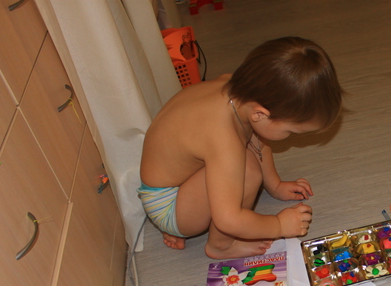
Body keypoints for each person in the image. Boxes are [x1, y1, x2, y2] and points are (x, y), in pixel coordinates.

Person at [139, 37, 343, 259]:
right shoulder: (223, 138)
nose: (288, 137)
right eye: (290, 131)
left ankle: (184, 224)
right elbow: (228, 219)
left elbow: (257, 139)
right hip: (168, 204)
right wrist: (278, 225)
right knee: (248, 171)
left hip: (174, 182)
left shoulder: (239, 92)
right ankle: (221, 246)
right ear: (260, 114)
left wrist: (274, 185)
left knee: (248, 145)